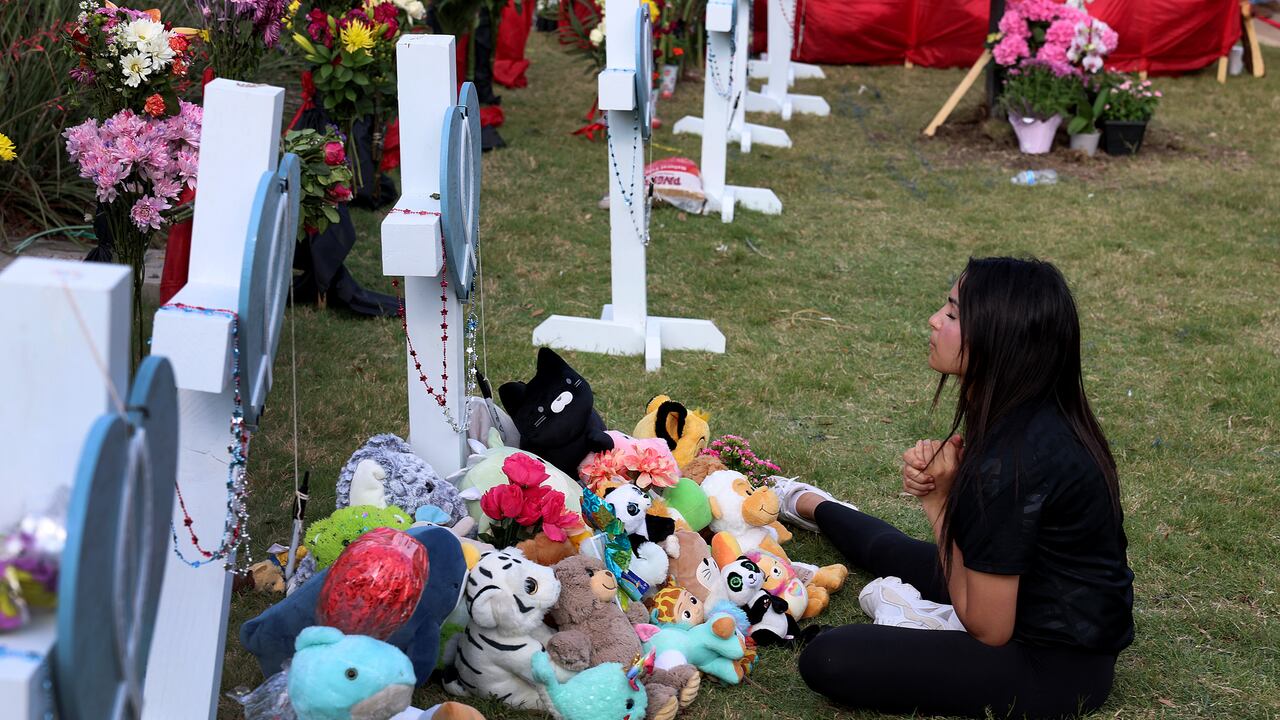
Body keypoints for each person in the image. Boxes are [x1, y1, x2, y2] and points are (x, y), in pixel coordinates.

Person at [773, 257, 1134, 719]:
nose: (934, 319)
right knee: (894, 552)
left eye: (953, 313)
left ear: (999, 339)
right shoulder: (1035, 410)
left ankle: (920, 619)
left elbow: (988, 628)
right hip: (1025, 591)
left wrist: (939, 500)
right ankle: (812, 504)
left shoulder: (1014, 457)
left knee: (830, 656)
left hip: (1054, 665)